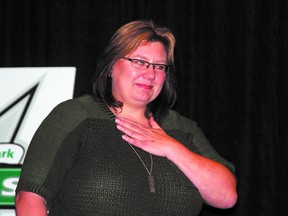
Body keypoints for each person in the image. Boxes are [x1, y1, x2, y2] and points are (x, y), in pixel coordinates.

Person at [15, 20, 237, 216]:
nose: (150, 74)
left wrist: (172, 148)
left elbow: (226, 197)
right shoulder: (75, 116)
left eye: (159, 66)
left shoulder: (182, 128)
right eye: (139, 62)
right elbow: (29, 199)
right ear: (111, 66)